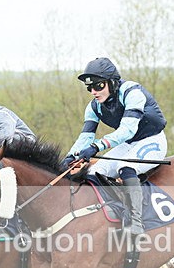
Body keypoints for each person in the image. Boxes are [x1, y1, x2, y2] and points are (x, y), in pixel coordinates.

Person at [60, 57, 167, 236]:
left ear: (112, 82)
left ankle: (136, 222)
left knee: (125, 167)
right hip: (129, 144)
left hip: (152, 140)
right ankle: (109, 214)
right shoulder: (94, 106)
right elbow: (86, 136)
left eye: (98, 86)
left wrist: (96, 147)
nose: (93, 91)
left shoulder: (132, 93)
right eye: (89, 88)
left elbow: (127, 130)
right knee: (94, 172)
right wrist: (70, 157)